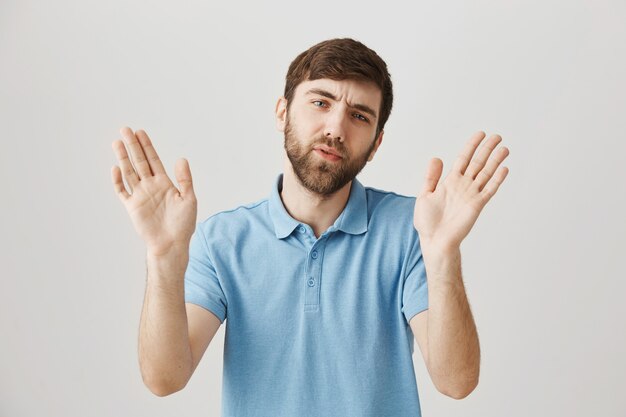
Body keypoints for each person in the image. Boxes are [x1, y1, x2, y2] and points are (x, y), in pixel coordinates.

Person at [110, 38, 509, 417]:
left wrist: (443, 256)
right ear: (282, 111)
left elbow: (456, 382)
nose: (336, 128)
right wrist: (163, 258)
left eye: (358, 116)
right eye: (321, 102)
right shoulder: (223, 240)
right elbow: (165, 378)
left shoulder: (412, 229)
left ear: (376, 143)